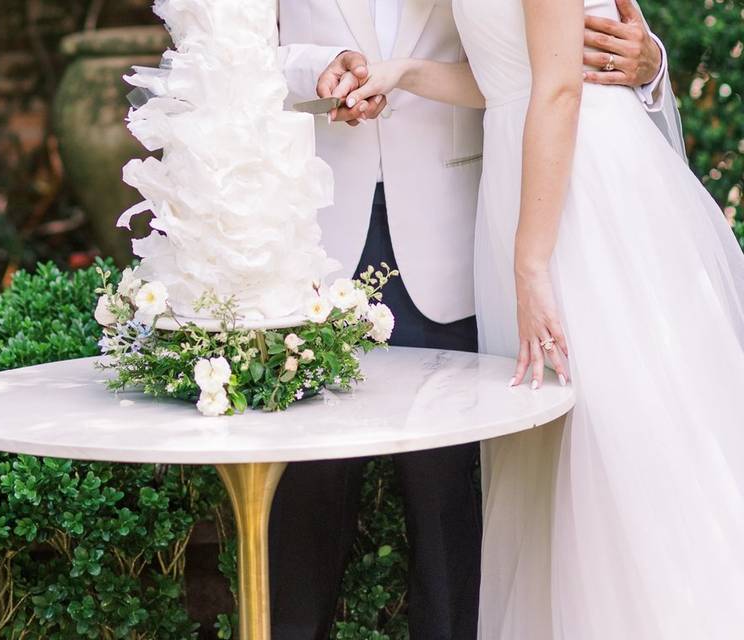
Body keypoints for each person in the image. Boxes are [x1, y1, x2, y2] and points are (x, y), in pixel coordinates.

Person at [344, 0, 744, 637]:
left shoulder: (542, 228)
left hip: (579, 192)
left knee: (612, 434)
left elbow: (559, 89)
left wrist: (530, 261)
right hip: (526, 182)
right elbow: (511, 77)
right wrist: (405, 74)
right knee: (551, 450)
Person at [273, 1, 669, 637]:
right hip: (316, 230)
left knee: (454, 497)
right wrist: (319, 68)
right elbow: (223, 56)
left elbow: (574, 44)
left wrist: (650, 64)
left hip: (473, 233)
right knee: (303, 498)